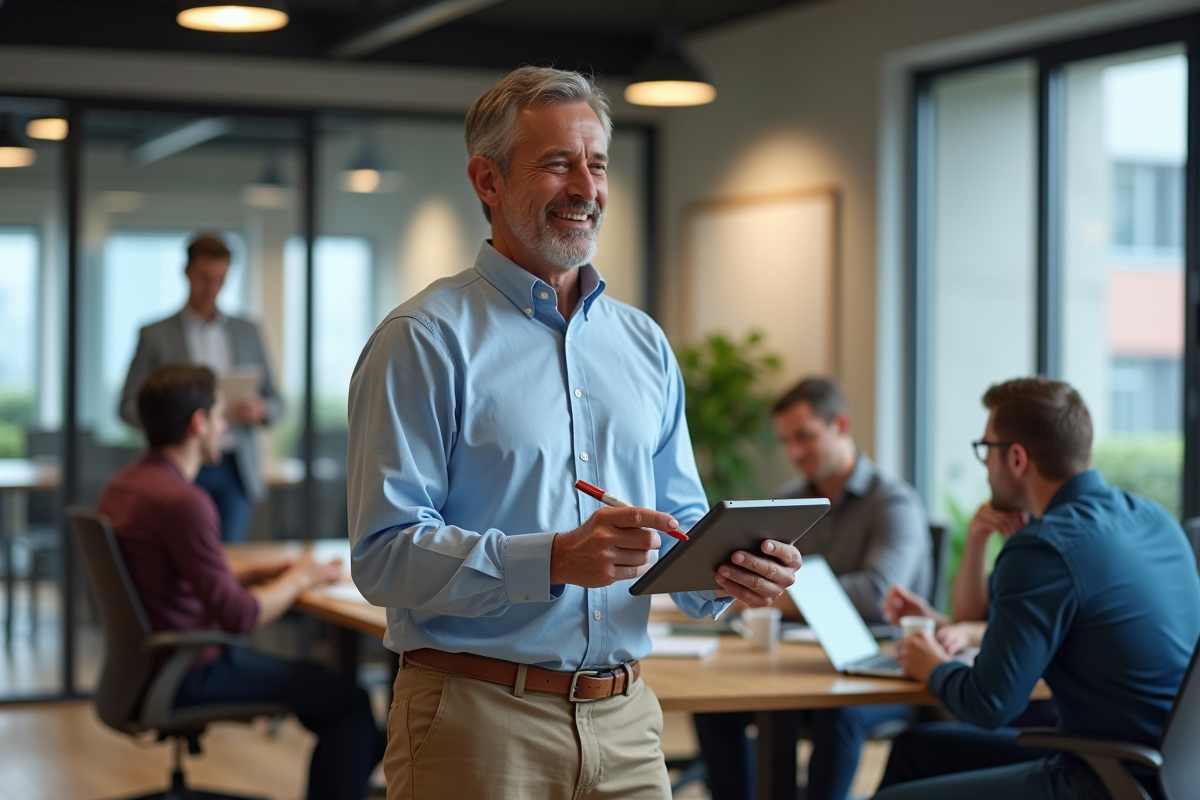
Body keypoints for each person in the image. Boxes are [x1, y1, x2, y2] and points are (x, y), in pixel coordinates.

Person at [346, 66, 802, 800]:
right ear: (486, 181)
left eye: (596, 164)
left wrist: (728, 571)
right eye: (558, 163)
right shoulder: (424, 339)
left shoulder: (644, 344)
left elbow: (679, 520)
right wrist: (554, 558)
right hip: (477, 720)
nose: (585, 188)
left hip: (627, 726)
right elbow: (383, 558)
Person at [871, 377, 1200, 800]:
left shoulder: (1044, 548)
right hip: (1172, 771)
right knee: (913, 750)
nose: (985, 464)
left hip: (1105, 777)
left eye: (986, 449)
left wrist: (933, 668)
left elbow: (990, 705)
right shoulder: (1153, 517)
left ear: (1017, 459)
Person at [98, 364, 384, 800]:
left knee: (330, 694)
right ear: (197, 423)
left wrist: (266, 572)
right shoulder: (184, 502)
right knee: (349, 703)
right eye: (218, 415)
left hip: (148, 663)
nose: (224, 425)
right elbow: (238, 616)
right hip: (190, 668)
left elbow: (175, 570)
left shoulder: (125, 486)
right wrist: (301, 577)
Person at [694, 376, 932, 800]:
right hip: (800, 663)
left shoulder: (894, 502)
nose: (794, 453)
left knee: (837, 712)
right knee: (716, 706)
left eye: (804, 437)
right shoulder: (788, 498)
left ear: (840, 424)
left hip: (882, 670)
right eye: (786, 440)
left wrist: (778, 595)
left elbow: (878, 594)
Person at [120, 233, 283, 543]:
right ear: (187, 273)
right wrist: (171, 419)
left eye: (220, 280)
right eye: (204, 278)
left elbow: (277, 402)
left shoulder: (249, 332)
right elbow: (128, 405)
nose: (212, 289)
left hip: (236, 468)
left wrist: (260, 410)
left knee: (231, 563)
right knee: (180, 558)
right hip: (179, 465)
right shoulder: (155, 335)